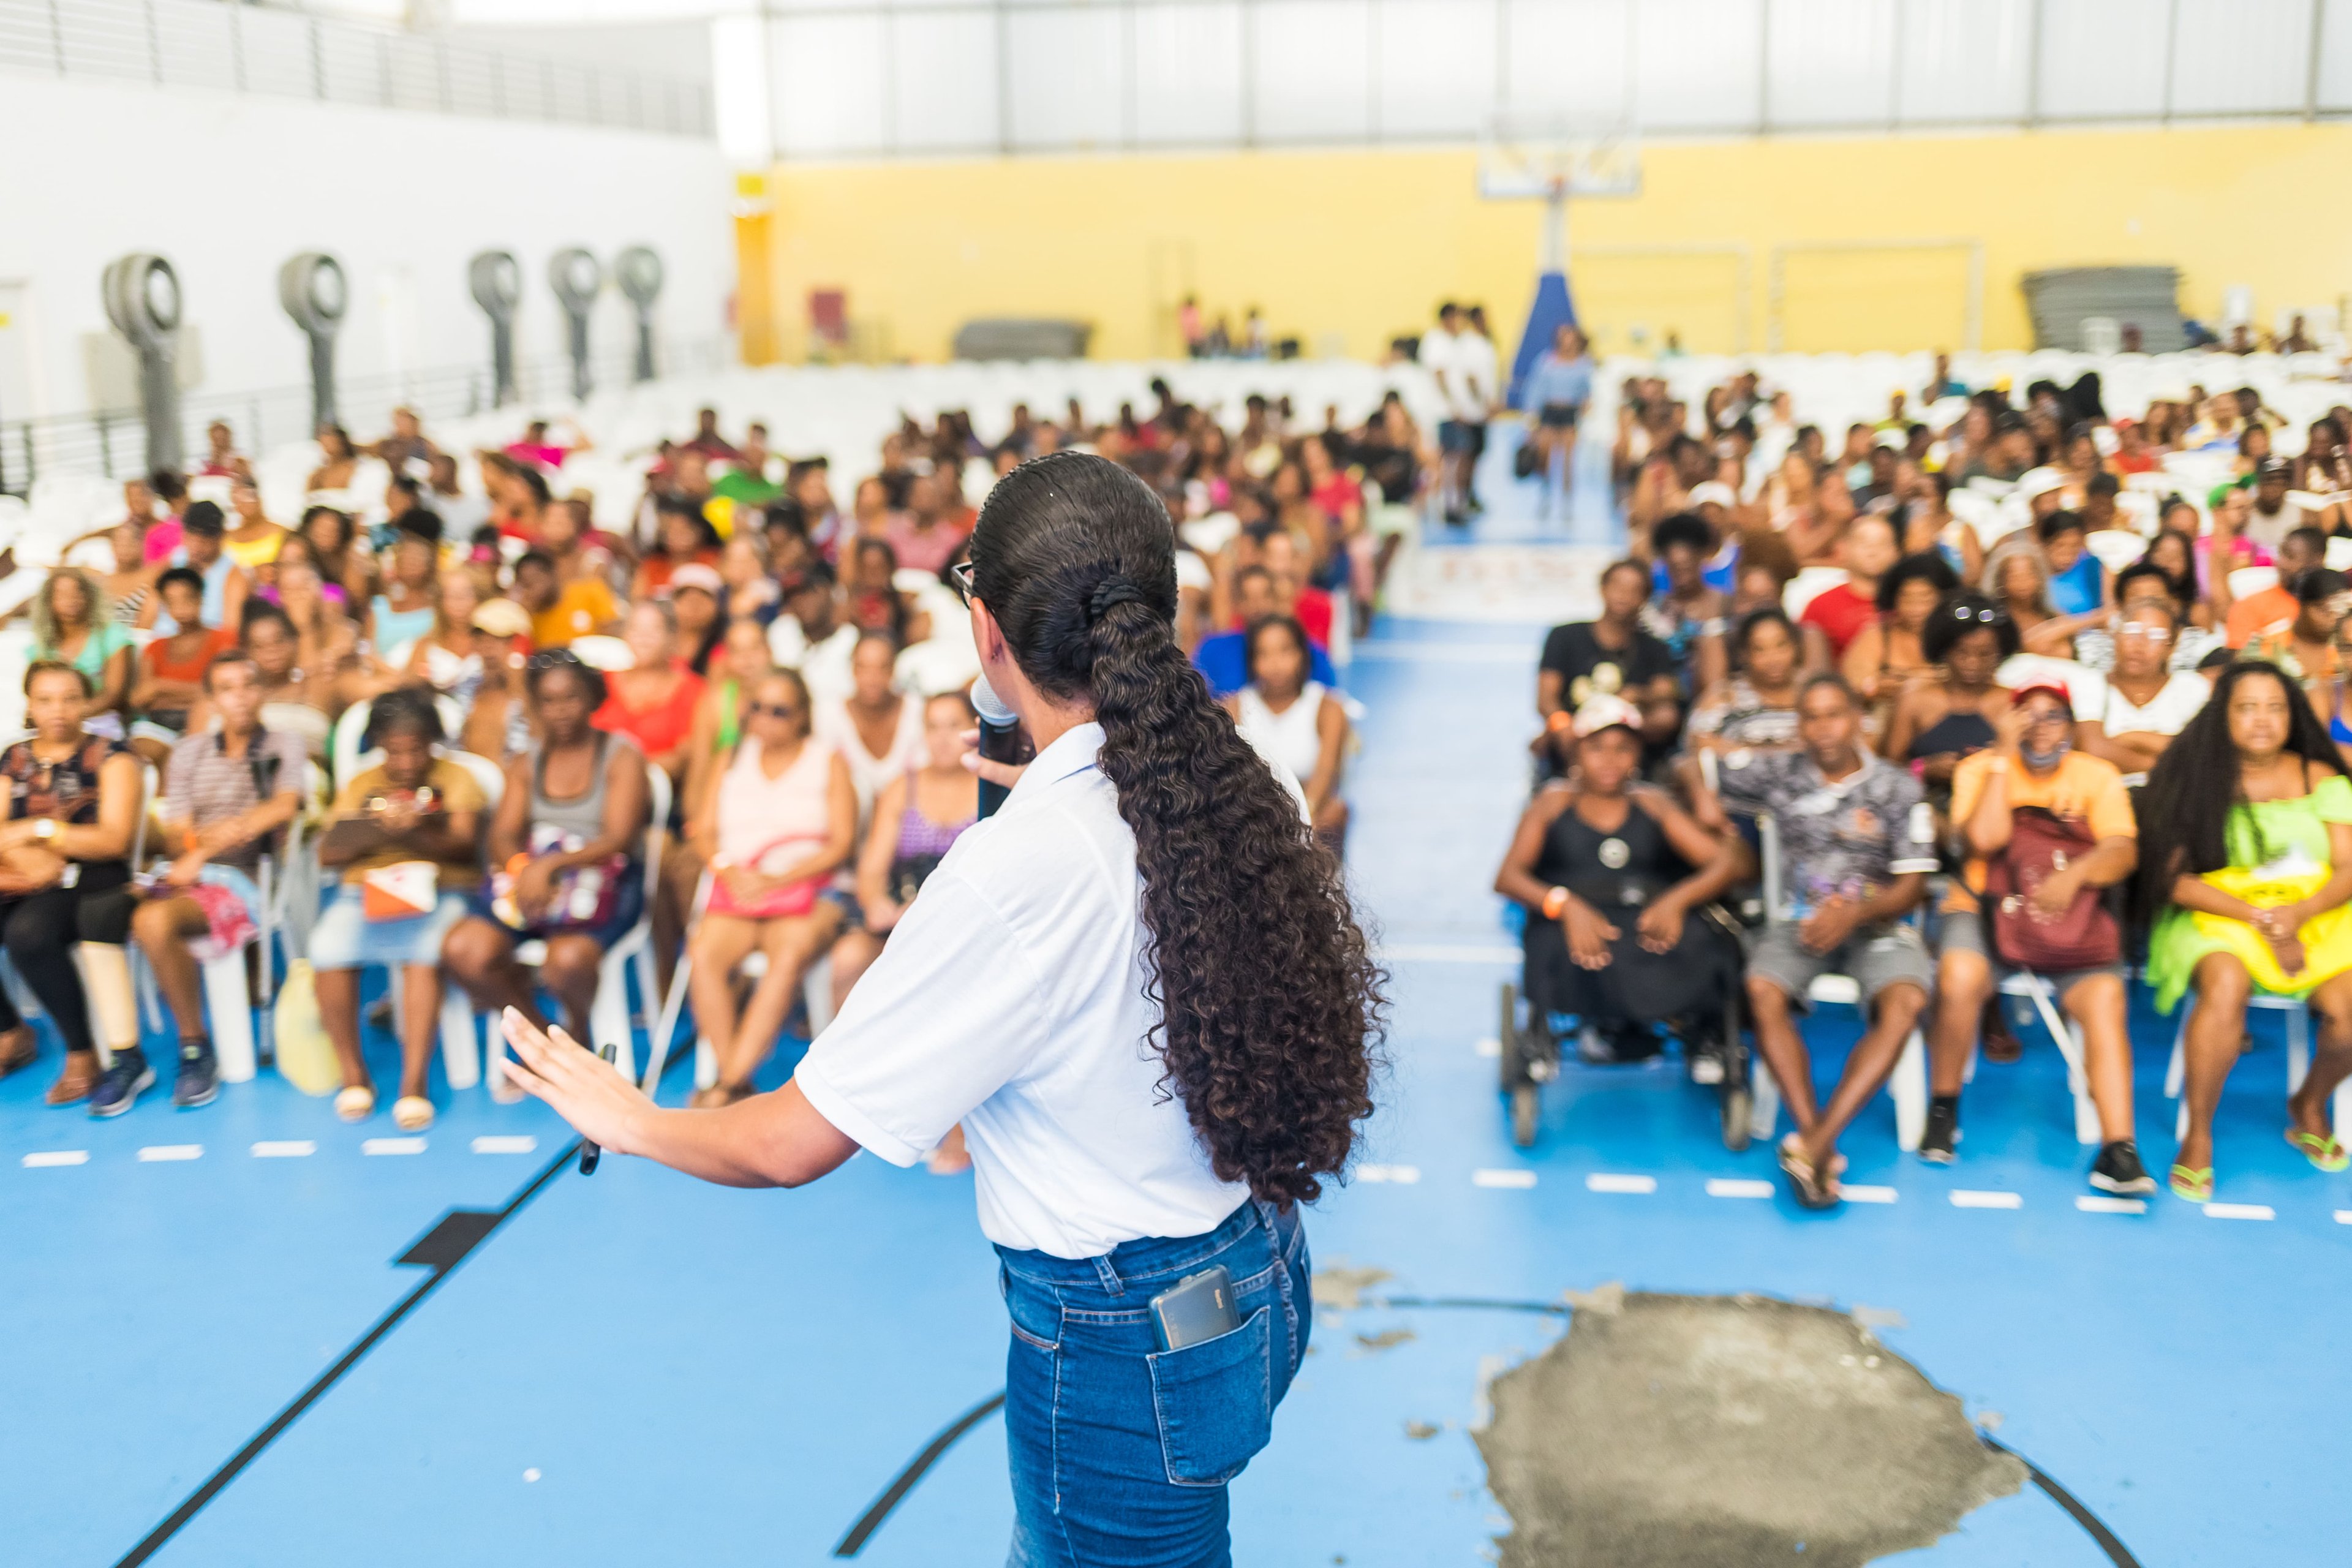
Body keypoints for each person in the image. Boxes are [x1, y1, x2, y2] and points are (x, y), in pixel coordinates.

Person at [494, 452, 1381, 1566]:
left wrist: (632, 1117)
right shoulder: (1239, 781)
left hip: (1124, 1349)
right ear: (1161, 611)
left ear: (988, 632)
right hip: (1256, 1275)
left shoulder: (1013, 877)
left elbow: (788, 1145)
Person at [1921, 682, 2150, 1194]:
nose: (2041, 727)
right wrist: (2002, 757)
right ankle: (1943, 1108)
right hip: (1983, 910)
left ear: (2071, 725)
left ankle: (2119, 1149)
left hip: (2070, 917)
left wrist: (2077, 874)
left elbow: (2123, 853)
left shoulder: (2098, 776)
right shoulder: (1978, 770)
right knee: (1958, 976)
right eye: (2029, 716)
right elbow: (1983, 841)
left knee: (2106, 998)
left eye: (2054, 717)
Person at [1721, 675, 1939, 1208]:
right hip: (1800, 922)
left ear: (1858, 719)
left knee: (1905, 1000)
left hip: (1880, 923)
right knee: (1763, 989)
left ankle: (1816, 1144)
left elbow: (1912, 886)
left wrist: (1856, 911)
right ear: (1800, 725)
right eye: (1812, 717)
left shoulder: (1898, 788)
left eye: (1835, 714)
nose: (1824, 729)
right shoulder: (1780, 775)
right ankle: (1812, 1134)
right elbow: (1698, 768)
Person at [2140, 660, 2352, 1199]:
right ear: (2223, 715)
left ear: (2294, 714)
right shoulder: (2196, 778)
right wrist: (2262, 920)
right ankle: (2200, 1135)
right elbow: (2175, 882)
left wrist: (2297, 917)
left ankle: (2309, 1104)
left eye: (2276, 707)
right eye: (2248, 707)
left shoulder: (2321, 777)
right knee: (2226, 985)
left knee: (2347, 1015)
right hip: (2220, 915)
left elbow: (2349, 868)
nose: (2263, 720)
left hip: (2315, 912)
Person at [1495, 694, 1745, 1066]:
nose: (1610, 760)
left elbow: (1725, 864)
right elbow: (1508, 877)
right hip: (1577, 917)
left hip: (1645, 916)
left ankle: (1703, 1036)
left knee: (1702, 941)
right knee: (1551, 943)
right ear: (1577, 752)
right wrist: (1566, 905)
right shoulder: (1553, 802)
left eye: (1622, 749)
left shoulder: (1653, 802)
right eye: (1597, 748)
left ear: (1637, 755)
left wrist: (1677, 901)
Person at [441, 654, 650, 1055]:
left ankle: (580, 1029)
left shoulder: (621, 755)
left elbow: (620, 838)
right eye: (549, 701)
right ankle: (546, 1043)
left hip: (602, 882)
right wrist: (525, 869)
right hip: (531, 880)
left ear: (591, 697)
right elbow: (502, 834)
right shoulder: (527, 762)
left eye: (571, 698)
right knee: (464, 951)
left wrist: (551, 866)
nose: (560, 711)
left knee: (567, 962)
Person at [135, 652, 307, 1112]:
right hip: (189, 872)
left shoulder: (282, 745)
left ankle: (195, 1048)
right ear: (212, 699)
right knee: (130, 910)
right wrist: (204, 843)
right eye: (227, 688)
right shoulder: (189, 752)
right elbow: (175, 832)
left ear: (262, 690)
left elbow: (283, 808)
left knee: (154, 921)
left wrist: (205, 848)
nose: (241, 697)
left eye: (248, 685)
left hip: (247, 879)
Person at [311, 690, 487, 1130]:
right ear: (379, 746)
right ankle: (353, 1076)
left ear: (433, 741)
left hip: (439, 891)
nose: (407, 762)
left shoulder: (459, 778)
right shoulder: (361, 784)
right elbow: (328, 854)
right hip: (366, 894)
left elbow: (467, 850)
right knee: (326, 950)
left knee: (424, 954)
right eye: (395, 751)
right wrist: (376, 826)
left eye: (416, 749)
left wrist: (416, 831)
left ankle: (414, 1084)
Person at [681, 668, 856, 1107]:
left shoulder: (826, 759)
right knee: (703, 954)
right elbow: (703, 833)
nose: (765, 719)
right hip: (738, 888)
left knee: (788, 956)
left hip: (806, 892)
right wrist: (727, 870)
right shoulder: (731, 757)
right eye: (757, 708)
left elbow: (842, 842)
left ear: (801, 717)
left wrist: (780, 878)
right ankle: (733, 1080)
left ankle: (726, 1084)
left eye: (780, 711)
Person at [0, 663, 143, 1110]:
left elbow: (111, 839)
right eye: (44, 699)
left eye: (68, 698)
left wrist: (41, 830)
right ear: (29, 705)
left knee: (28, 933)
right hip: (25, 874)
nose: (57, 710)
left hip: (93, 877)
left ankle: (83, 1054)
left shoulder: (114, 756)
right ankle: (11, 1031)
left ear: (85, 703)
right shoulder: (14, 759)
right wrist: (26, 858)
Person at [1537, 559, 1681, 763]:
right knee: (1553, 729)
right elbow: (1546, 700)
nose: (1624, 595)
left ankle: (1629, 763)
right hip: (1573, 731)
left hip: (1629, 730)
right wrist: (1564, 726)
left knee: (1666, 716)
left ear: (1645, 599)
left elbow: (1665, 691)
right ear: (1603, 589)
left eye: (1634, 590)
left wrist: (1638, 695)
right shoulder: (1564, 636)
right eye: (1618, 586)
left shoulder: (1654, 647)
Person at [1227, 616, 1350, 852]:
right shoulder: (1234, 708)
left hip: (1311, 814)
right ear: (1252, 661)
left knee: (1335, 812)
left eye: (1285, 651)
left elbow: (1326, 770)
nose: (1275, 664)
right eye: (1264, 654)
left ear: (1302, 654)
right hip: (1252, 817)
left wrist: (1305, 816)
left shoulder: (1328, 707)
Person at [2078, 597, 2208, 776]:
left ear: (2171, 646)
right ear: (2115, 635)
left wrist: (2133, 738)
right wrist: (2166, 765)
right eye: (2132, 631)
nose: (2139, 645)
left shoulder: (2191, 686)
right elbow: (2093, 749)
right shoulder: (2091, 683)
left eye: (2156, 636)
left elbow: (2202, 751)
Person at [1841, 551, 1960, 724]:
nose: (1917, 609)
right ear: (1894, 599)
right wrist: (1873, 689)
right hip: (1884, 725)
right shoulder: (1877, 636)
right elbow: (1851, 690)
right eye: (1908, 599)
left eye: (1926, 599)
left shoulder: (1958, 636)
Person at [594, 601, 706, 786]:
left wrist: (625, 772)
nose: (643, 638)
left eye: (654, 630)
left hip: (656, 792)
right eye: (636, 630)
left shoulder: (693, 689)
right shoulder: (602, 681)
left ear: (672, 637)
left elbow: (683, 758)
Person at [1192, 565, 1336, 699]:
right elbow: (1194, 701)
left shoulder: (1309, 652)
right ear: (1237, 604)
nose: (1257, 605)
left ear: (1278, 599)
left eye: (1265, 595)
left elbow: (1328, 702)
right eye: (1248, 597)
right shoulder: (1212, 650)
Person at [132, 567, 235, 733]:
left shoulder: (224, 640)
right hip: (161, 727)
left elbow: (224, 691)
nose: (180, 608)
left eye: (187, 599)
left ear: (200, 598)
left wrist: (160, 687)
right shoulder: (155, 647)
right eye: (171, 602)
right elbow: (139, 699)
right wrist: (195, 694)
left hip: (208, 724)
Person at [31, 567, 134, 723]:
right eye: (62, 594)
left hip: (100, 718)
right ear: (49, 601)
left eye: (77, 592)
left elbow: (114, 694)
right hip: (55, 722)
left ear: (89, 596)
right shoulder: (41, 646)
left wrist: (71, 716)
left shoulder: (112, 636)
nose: (71, 599)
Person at [1799, 513, 1899, 660]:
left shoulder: (1908, 602)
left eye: (1882, 544)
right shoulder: (1820, 607)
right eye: (1864, 544)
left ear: (1896, 552)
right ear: (1845, 549)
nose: (1873, 552)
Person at [1518, 323, 1593, 500]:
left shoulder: (1583, 364)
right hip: (1550, 413)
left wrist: (1585, 408)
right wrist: (1531, 420)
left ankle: (1567, 500)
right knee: (1545, 457)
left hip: (1569, 413)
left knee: (1568, 460)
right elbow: (1535, 390)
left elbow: (1586, 392)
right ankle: (1545, 494)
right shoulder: (1546, 362)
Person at [2224, 525, 2323, 647]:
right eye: (2281, 553)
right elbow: (2241, 660)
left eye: (2291, 557)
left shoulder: (2332, 606)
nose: (2281, 563)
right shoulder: (2250, 605)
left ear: (2317, 561)